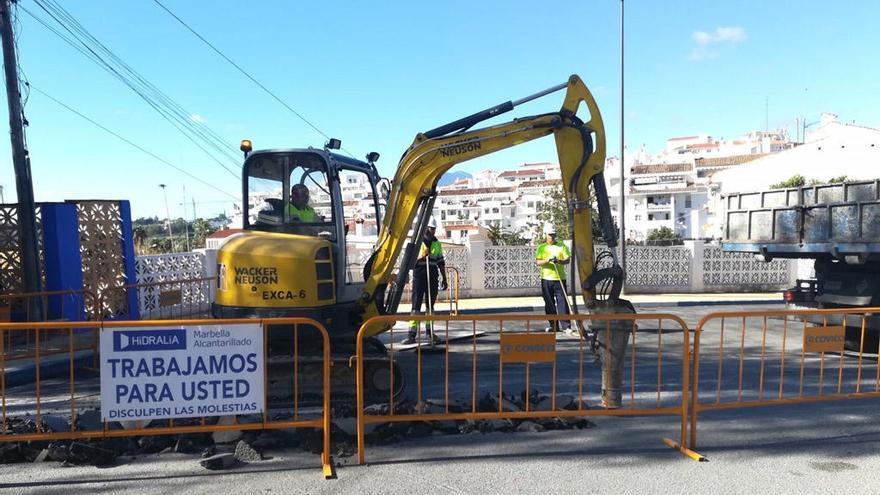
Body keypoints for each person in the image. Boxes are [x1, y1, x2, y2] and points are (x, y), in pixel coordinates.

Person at [402, 217, 449, 345]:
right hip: (419, 276)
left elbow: (441, 262)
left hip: (432, 275)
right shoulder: (417, 243)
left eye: (434, 229)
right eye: (431, 228)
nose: (432, 231)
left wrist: (444, 278)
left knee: (430, 306)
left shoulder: (437, 243)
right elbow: (409, 261)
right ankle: (412, 334)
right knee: (416, 306)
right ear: (425, 228)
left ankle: (430, 332)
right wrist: (422, 256)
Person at [535, 222, 572, 333]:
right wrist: (547, 260)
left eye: (554, 234)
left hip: (559, 279)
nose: (552, 237)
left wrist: (558, 261)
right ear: (545, 234)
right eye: (550, 234)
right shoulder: (541, 247)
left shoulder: (562, 246)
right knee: (549, 303)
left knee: (562, 303)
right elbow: (538, 262)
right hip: (546, 279)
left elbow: (567, 260)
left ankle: (566, 326)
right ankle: (553, 325)